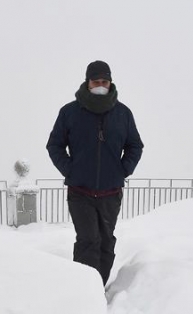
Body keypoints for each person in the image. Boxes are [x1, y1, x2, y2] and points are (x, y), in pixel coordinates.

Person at [46, 60, 144, 288]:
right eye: (96, 81)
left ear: (110, 83)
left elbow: (135, 146)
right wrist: (70, 169)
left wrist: (124, 169)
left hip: (111, 192)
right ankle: (84, 291)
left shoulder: (123, 114)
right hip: (80, 191)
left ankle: (98, 287)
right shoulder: (69, 112)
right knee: (88, 240)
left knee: (106, 242)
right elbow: (55, 145)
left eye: (105, 81)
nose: (101, 85)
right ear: (87, 82)